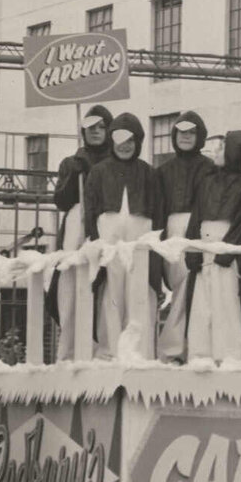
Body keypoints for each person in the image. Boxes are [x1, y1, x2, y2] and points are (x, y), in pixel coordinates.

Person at [81, 112, 167, 359]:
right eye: (119, 139)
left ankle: (140, 351)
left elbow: (159, 210)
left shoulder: (150, 173)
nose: (125, 145)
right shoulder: (98, 172)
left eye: (130, 140)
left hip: (141, 240)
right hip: (110, 241)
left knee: (140, 293)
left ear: (138, 142)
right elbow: (91, 209)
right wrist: (95, 240)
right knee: (111, 293)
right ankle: (109, 350)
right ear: (112, 140)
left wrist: (156, 243)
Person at [183, 129, 241, 363]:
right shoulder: (206, 181)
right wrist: (193, 250)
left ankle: (229, 355)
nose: (216, 151)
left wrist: (227, 252)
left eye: (223, 147)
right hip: (204, 244)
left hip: (227, 250)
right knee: (201, 303)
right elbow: (196, 217)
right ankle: (200, 354)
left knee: (225, 303)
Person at [49, 104, 112, 359]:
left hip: (104, 225)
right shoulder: (71, 162)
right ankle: (72, 347)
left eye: (101, 127)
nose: (95, 132)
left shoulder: (115, 162)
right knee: (72, 282)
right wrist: (71, 176)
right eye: (90, 128)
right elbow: (61, 202)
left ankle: (101, 347)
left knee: (103, 285)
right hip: (77, 226)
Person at [154, 110, 217, 363]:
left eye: (191, 132)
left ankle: (181, 347)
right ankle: (178, 346)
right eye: (181, 132)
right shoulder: (163, 170)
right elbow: (159, 207)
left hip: (199, 229)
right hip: (172, 229)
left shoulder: (210, 168)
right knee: (179, 285)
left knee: (195, 287)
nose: (186, 137)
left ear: (199, 136)